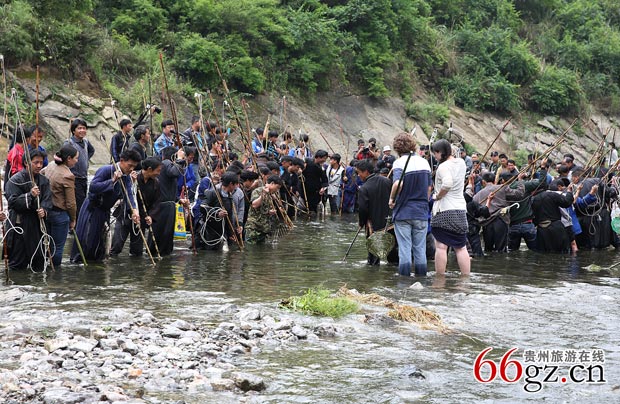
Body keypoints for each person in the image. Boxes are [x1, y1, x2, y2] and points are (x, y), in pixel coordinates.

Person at [70, 149, 142, 263]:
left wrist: (134, 210)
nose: (131, 169)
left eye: (134, 166)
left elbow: (129, 194)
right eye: (130, 165)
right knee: (87, 239)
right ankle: (80, 262)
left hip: (105, 210)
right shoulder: (106, 170)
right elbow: (93, 187)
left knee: (101, 242)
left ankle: (96, 264)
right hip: (93, 208)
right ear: (122, 161)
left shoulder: (127, 177)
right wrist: (112, 180)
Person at [388, 133, 432, 277]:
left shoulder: (399, 163)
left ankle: (404, 281)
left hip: (403, 212)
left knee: (405, 248)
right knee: (420, 249)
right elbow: (429, 188)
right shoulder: (424, 163)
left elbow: (398, 184)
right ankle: (422, 279)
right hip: (421, 212)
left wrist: (391, 199)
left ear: (397, 147)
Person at [5, 149, 52, 270]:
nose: (39, 166)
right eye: (36, 162)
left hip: (37, 226)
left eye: (41, 163)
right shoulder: (14, 180)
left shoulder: (44, 181)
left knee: (39, 262)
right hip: (19, 226)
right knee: (17, 263)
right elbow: (13, 202)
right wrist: (30, 195)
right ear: (26, 162)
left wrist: (44, 210)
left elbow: (47, 199)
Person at [430, 139, 470, 276]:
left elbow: (447, 183)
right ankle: (465, 279)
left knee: (441, 247)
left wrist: (438, 196)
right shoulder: (461, 162)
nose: (435, 157)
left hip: (444, 210)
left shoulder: (443, 167)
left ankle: (439, 279)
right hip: (460, 209)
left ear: (440, 152)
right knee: (461, 247)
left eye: (435, 154)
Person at [41, 145, 79, 267]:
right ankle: (55, 271)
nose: (77, 161)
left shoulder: (51, 165)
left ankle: (45, 266)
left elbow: (41, 174)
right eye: (76, 158)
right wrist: (73, 219)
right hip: (60, 214)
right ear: (69, 159)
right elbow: (71, 203)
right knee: (57, 247)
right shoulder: (68, 175)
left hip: (46, 211)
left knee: (48, 243)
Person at [196, 172, 244, 250]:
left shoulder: (230, 196)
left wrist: (231, 233)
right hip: (208, 229)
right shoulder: (212, 192)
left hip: (221, 231)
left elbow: (229, 217)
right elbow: (202, 207)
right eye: (236, 184)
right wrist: (217, 213)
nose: (236, 187)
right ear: (231, 184)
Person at [356, 159, 392, 265]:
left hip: (373, 225)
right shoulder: (387, 181)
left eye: (359, 172)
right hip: (390, 223)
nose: (358, 175)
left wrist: (361, 222)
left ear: (366, 172)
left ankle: (372, 271)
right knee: (393, 251)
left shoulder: (364, 188)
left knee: (373, 256)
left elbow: (363, 208)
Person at [64, 118, 95, 220]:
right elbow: (63, 158)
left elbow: (91, 150)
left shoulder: (85, 141)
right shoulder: (69, 143)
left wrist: (85, 159)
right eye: (79, 128)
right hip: (74, 178)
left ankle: (80, 223)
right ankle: (77, 223)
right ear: (73, 131)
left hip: (84, 177)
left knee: (83, 201)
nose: (82, 130)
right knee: (77, 203)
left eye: (84, 128)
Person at [245, 175, 283, 244]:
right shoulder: (258, 191)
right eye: (277, 187)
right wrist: (263, 194)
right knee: (251, 248)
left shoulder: (271, 194)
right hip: (254, 227)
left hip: (264, 228)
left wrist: (270, 211)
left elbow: (264, 209)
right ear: (272, 183)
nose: (277, 190)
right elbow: (254, 205)